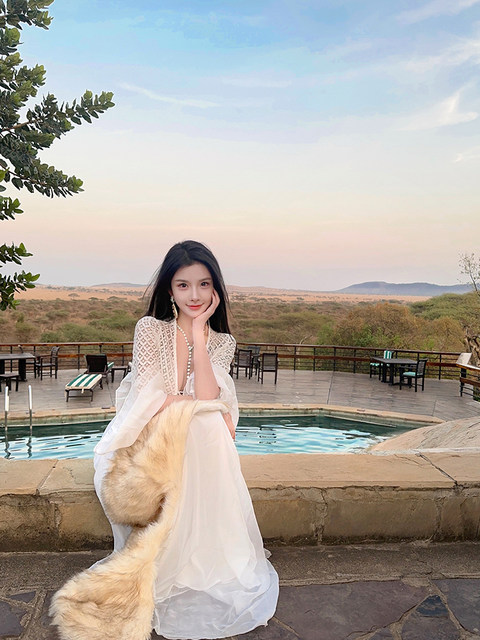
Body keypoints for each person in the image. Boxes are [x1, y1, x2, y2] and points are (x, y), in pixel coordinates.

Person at [93, 240, 279, 640]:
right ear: (169, 289)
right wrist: (195, 404)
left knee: (206, 422)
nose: (194, 295)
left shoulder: (221, 342)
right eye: (183, 285)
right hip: (148, 436)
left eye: (204, 284)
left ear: (215, 290)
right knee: (206, 421)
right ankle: (171, 552)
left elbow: (208, 395)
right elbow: (149, 400)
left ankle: (206, 552)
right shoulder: (151, 329)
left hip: (192, 435)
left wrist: (198, 334)